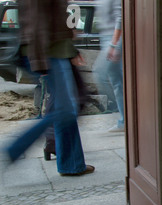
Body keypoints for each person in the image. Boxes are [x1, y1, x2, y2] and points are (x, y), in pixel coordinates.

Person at [2, 0, 94, 177]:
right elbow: (36, 19)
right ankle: (13, 149)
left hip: (57, 50)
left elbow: (56, 15)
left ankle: (72, 164)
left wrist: (71, 48)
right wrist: (39, 61)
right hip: (49, 52)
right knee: (66, 109)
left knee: (65, 107)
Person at [93, 0, 125, 133]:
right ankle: (124, 119)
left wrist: (114, 44)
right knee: (116, 82)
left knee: (100, 74)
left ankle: (130, 114)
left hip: (114, 39)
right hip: (106, 38)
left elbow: (121, 16)